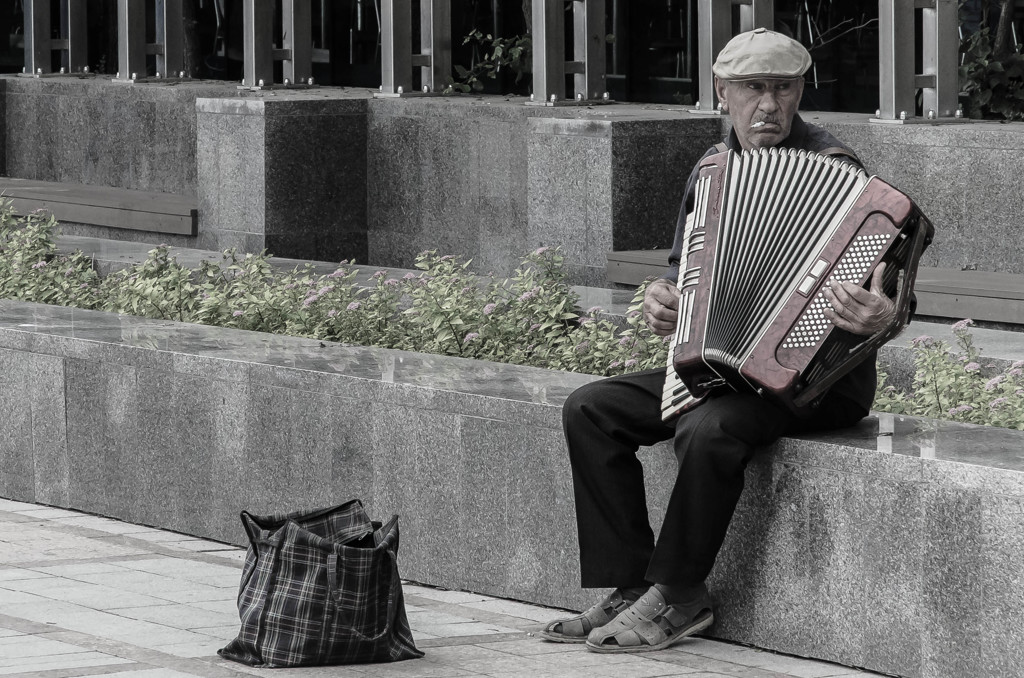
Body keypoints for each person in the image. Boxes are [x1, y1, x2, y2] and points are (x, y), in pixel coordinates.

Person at [541, 28, 899, 653]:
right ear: (721, 92)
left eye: (783, 89)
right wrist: (663, 300)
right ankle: (632, 584)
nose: (769, 105)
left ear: (800, 92)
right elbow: (685, 271)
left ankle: (681, 595)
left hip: (818, 382)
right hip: (723, 368)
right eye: (753, 88)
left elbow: (892, 294)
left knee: (706, 427)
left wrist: (881, 314)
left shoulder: (843, 175)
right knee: (591, 409)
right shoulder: (712, 171)